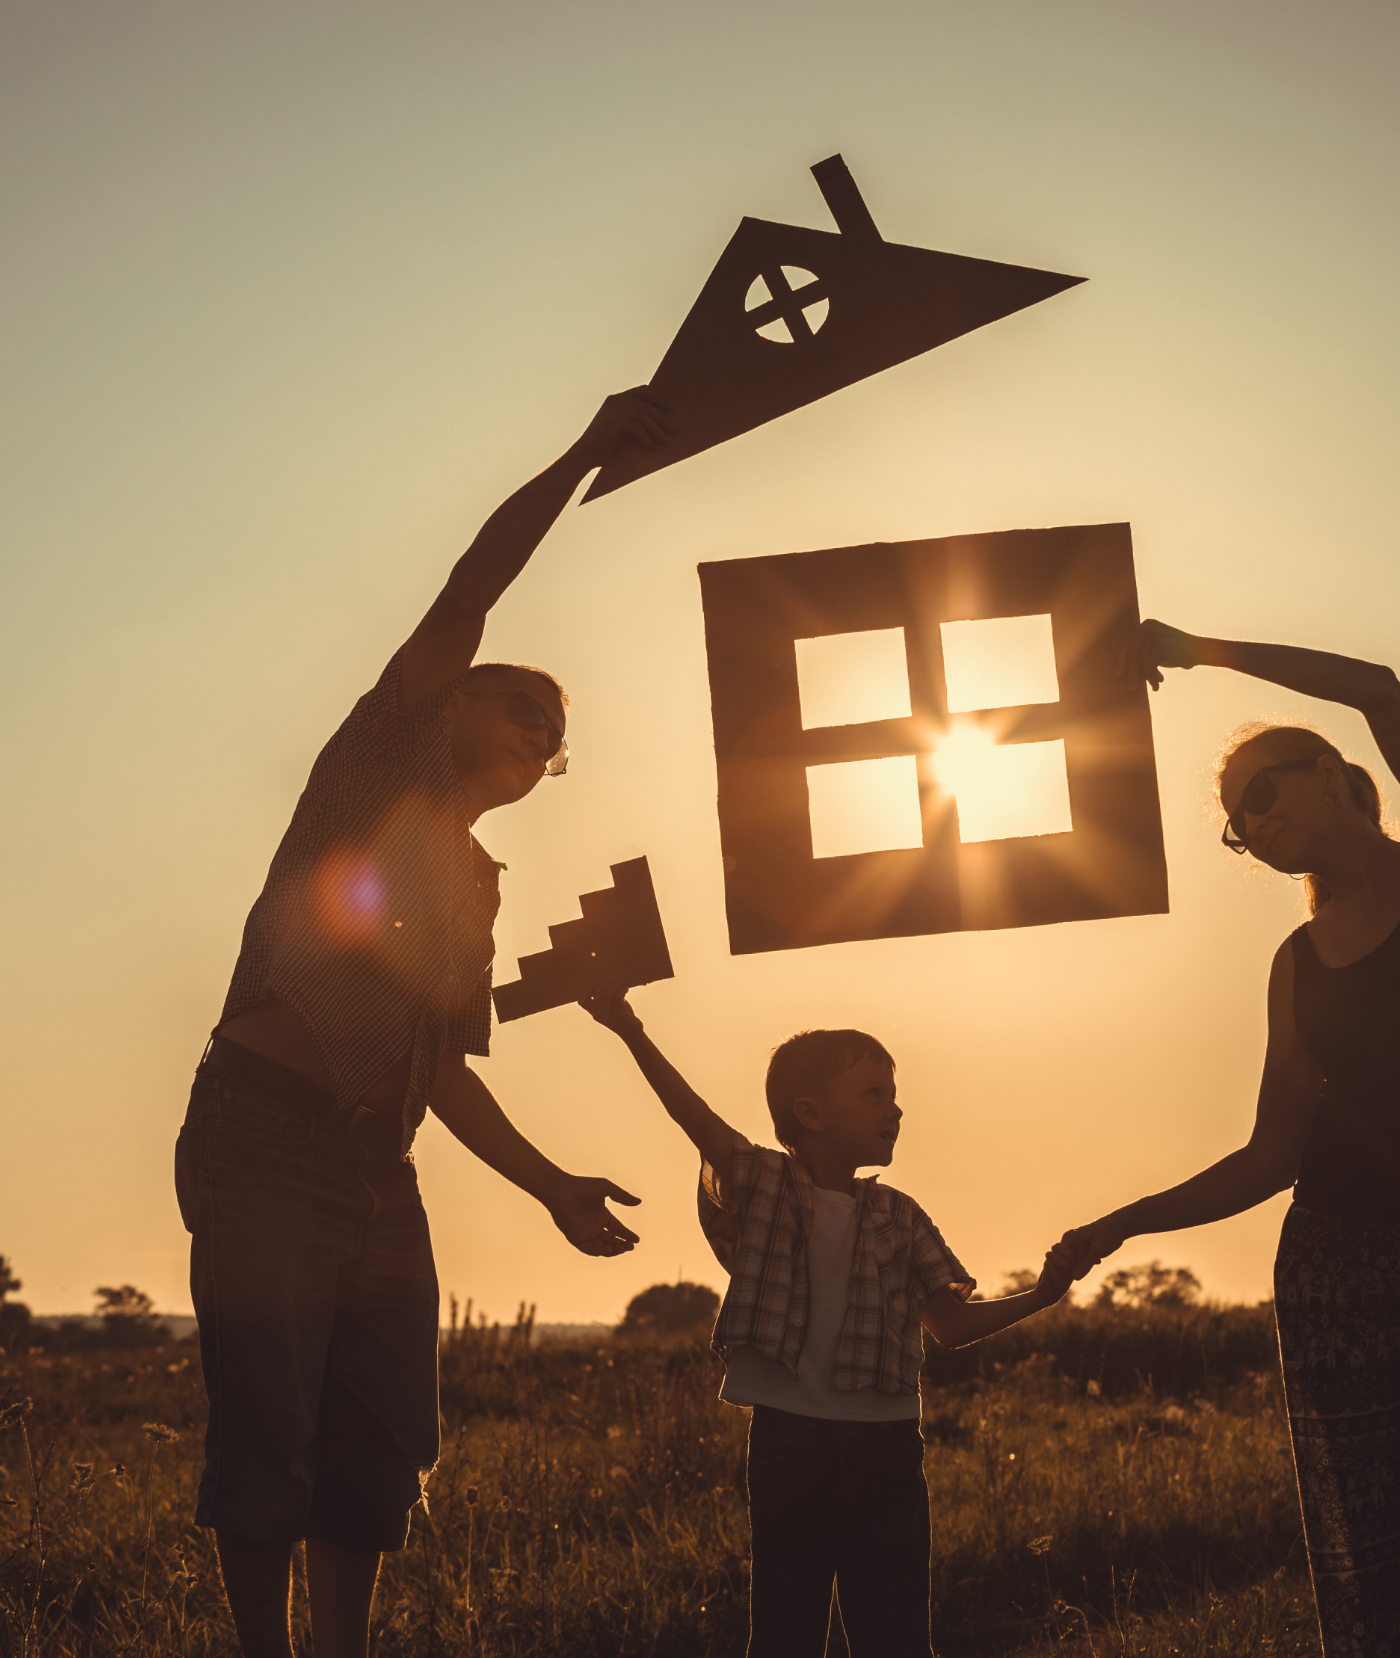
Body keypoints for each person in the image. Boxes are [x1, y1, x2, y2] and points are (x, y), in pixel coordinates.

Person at [173, 387, 675, 1658]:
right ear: (448, 705)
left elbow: (439, 1065)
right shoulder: (373, 770)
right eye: (522, 711)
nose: (540, 739)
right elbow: (471, 588)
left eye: (554, 740)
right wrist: (587, 449)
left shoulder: (478, 887)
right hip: (263, 1136)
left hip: (375, 1168)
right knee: (267, 1427)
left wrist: (552, 1183)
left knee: (380, 1435)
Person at [1071, 619, 1400, 1654]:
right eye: (1234, 822)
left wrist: (1200, 651)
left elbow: (1378, 684)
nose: (1250, 823)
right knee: (1377, 1563)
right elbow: (1270, 1156)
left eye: (1260, 793)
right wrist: (1121, 1223)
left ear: (1334, 776)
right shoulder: (1296, 962)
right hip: (1339, 1276)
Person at [579, 983, 1080, 1658]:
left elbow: (951, 1325)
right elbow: (690, 1113)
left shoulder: (902, 1215)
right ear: (809, 1113)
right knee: (786, 1636)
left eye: (894, 1095)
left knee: (897, 1639)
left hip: (889, 1449)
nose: (894, 1109)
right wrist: (629, 1027)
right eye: (873, 1094)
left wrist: (1043, 1296)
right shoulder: (762, 1183)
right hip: (789, 1444)